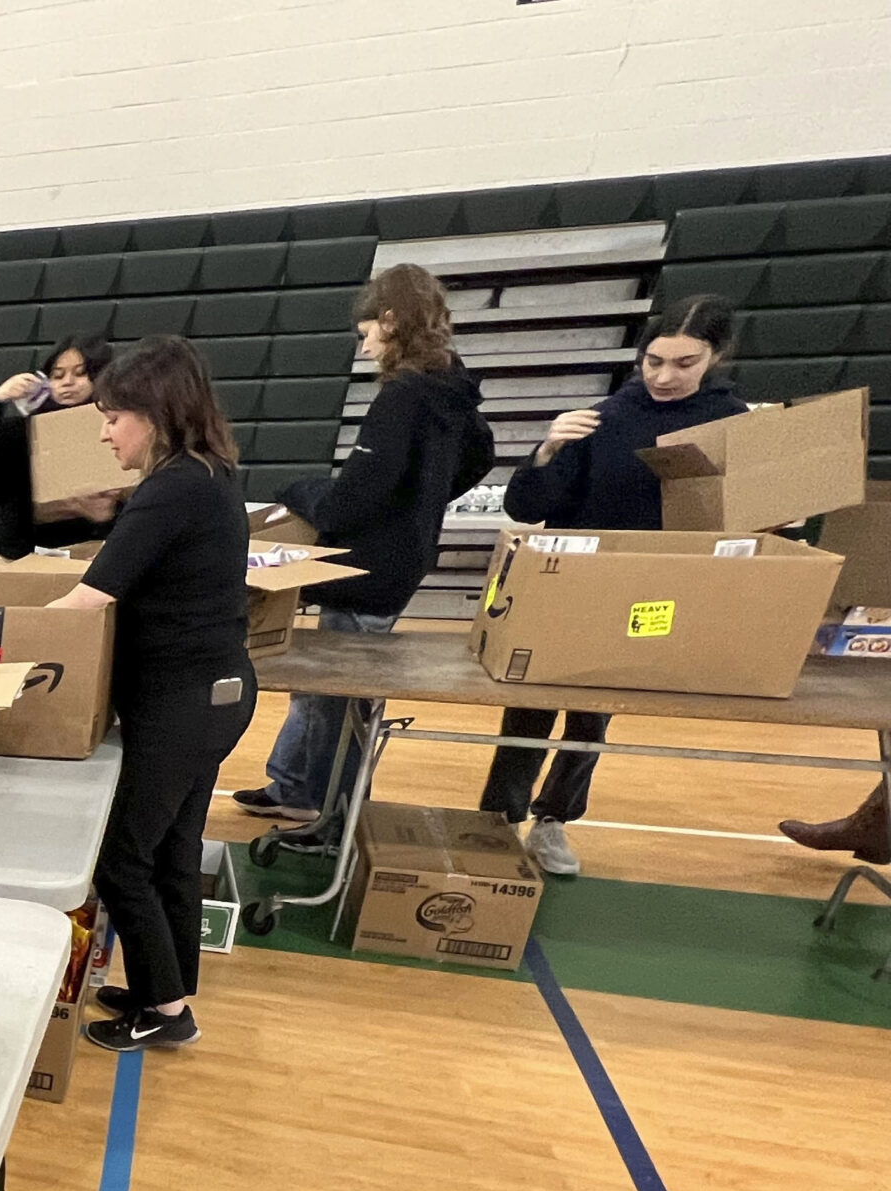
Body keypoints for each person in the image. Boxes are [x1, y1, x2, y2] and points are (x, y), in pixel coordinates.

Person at [481, 293, 748, 877]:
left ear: (717, 357)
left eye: (684, 362)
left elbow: (745, 521)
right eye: (654, 360)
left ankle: (554, 820)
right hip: (569, 580)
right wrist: (548, 449)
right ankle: (499, 818)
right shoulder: (603, 417)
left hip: (654, 588)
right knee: (529, 703)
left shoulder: (735, 425)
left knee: (592, 713)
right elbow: (528, 506)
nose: (665, 375)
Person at [42, 337, 252, 1052]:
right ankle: (169, 987)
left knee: (124, 860)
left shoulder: (173, 489)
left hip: (184, 701)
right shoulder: (208, 474)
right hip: (214, 694)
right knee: (171, 850)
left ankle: (166, 1011)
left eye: (112, 417)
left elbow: (90, 598)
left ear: (154, 414)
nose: (103, 432)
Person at [232, 265, 493, 830]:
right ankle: (295, 783)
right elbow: (481, 456)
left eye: (367, 329)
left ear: (392, 320)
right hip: (401, 558)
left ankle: (327, 815)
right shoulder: (452, 388)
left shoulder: (403, 397)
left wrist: (295, 490)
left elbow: (347, 504)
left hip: (369, 568)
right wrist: (420, 501)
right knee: (322, 687)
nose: (365, 342)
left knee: (340, 698)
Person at [0, 332, 124, 559]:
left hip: (95, 557)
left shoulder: (121, 432)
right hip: (20, 557)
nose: (68, 382)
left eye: (80, 373)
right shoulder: (23, 432)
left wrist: (106, 517)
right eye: (57, 375)